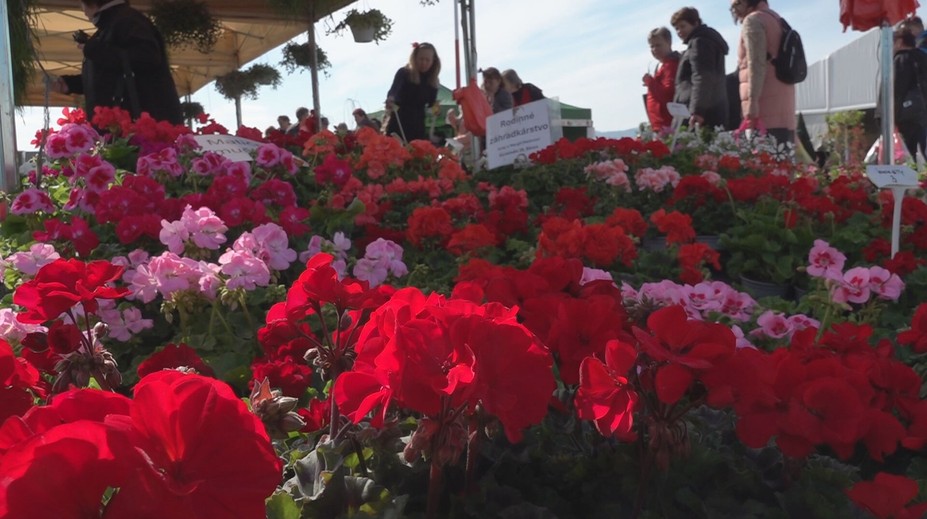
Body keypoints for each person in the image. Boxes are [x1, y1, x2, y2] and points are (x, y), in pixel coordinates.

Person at [52, 0, 182, 124]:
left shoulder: (127, 20)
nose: (82, 9)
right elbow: (111, 75)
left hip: (136, 128)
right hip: (128, 128)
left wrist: (95, 50)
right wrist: (71, 84)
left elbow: (147, 57)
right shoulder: (119, 21)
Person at [731, 0, 796, 146]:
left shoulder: (753, 21)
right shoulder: (776, 19)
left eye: (738, 3)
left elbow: (756, 63)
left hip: (763, 104)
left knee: (761, 162)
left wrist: (752, 102)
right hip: (784, 102)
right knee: (782, 161)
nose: (734, 9)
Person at [671, 7, 729, 130]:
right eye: (676, 28)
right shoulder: (704, 41)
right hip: (712, 107)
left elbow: (702, 77)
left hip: (701, 112)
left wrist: (697, 111)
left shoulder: (700, 43)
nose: (679, 31)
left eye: (683, 26)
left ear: (695, 23)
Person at [385, 42, 441, 142]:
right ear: (415, 58)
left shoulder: (432, 80)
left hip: (418, 125)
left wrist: (435, 108)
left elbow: (431, 103)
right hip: (399, 122)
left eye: (427, 60)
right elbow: (394, 90)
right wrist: (391, 98)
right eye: (421, 59)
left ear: (433, 61)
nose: (424, 63)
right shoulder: (404, 73)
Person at [893, 29, 927, 158]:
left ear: (900, 42)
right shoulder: (923, 57)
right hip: (922, 115)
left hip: (906, 116)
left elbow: (897, 90)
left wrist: (891, 117)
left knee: (907, 155)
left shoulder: (902, 59)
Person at [643, 27, 681, 132]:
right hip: (660, 125)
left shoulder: (671, 65)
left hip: (667, 126)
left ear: (669, 43)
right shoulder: (662, 65)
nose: (655, 49)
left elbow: (668, 94)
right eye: (652, 46)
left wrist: (650, 83)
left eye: (658, 45)